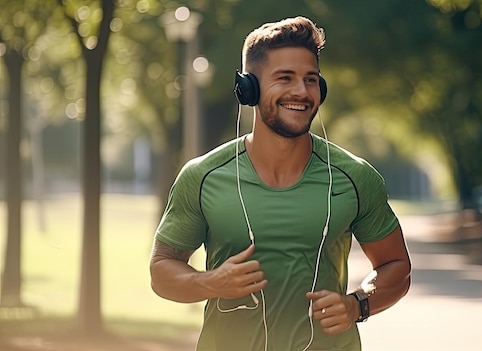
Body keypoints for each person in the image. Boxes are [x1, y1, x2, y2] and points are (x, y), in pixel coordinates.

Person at [150, 16, 411, 351]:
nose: (301, 92)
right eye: (285, 78)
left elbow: (396, 266)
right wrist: (208, 282)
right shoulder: (202, 177)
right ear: (249, 89)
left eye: (311, 79)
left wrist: (357, 304)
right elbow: (162, 270)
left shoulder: (355, 177)